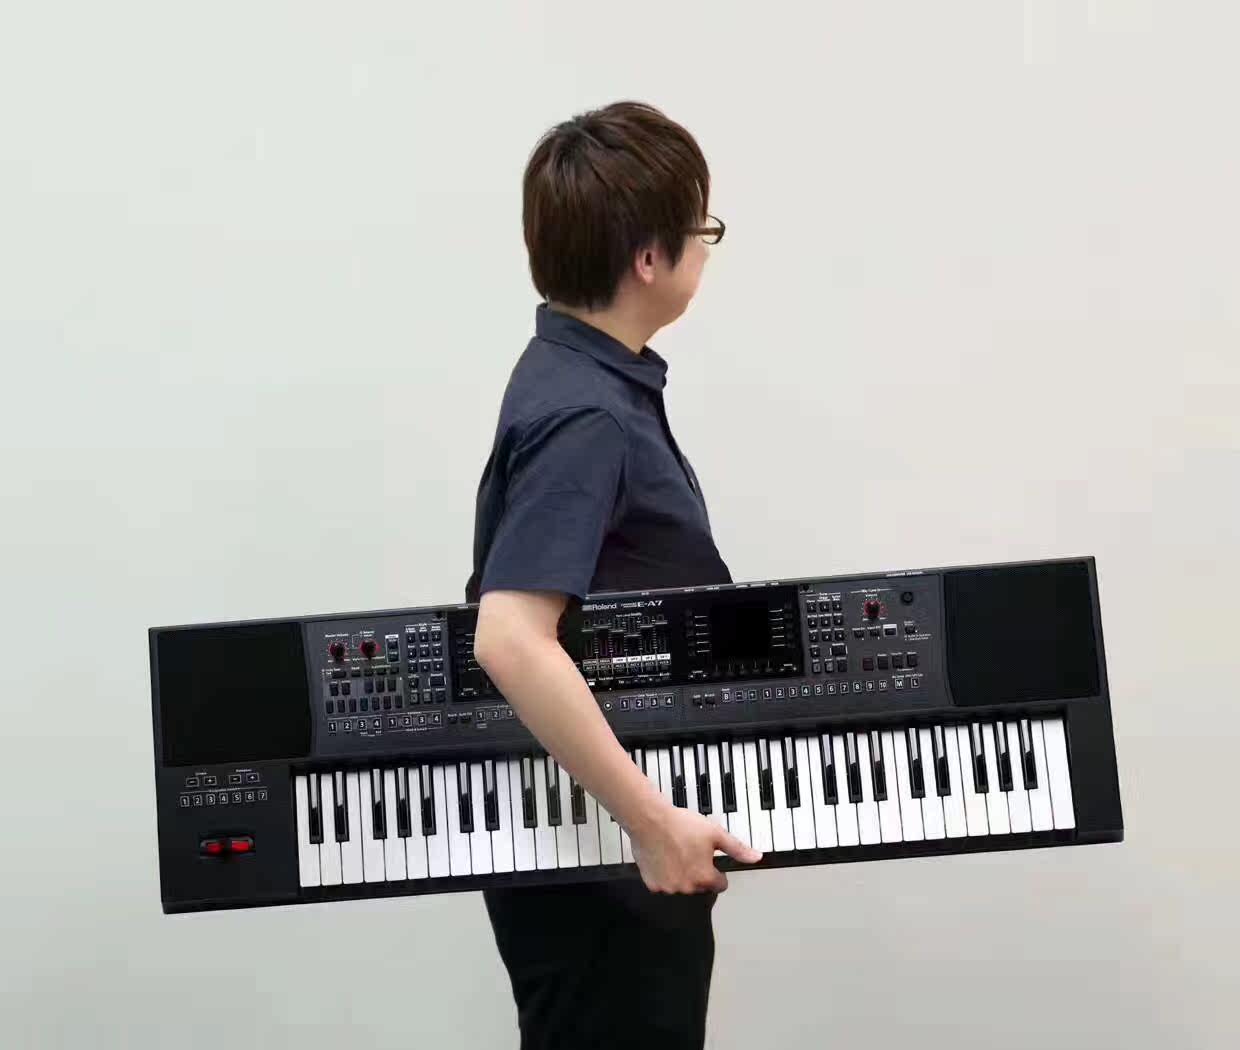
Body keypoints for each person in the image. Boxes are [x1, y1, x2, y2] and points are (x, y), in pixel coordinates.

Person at [464, 100, 762, 1050]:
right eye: (700, 229)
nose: (706, 246)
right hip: (600, 860)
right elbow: (510, 637)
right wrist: (652, 824)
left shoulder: (577, 372)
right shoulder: (587, 416)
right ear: (646, 258)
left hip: (600, 839)